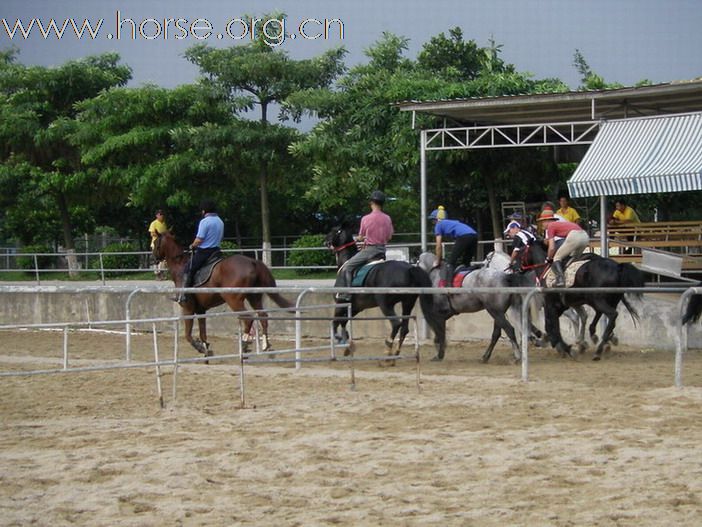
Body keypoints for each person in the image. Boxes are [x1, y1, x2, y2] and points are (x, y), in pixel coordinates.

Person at [335, 190, 394, 302]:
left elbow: (361, 237)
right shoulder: (387, 218)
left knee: (348, 267)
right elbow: (389, 237)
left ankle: (347, 293)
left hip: (370, 250)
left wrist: (356, 239)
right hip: (382, 250)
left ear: (371, 202)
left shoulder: (366, 219)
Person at [176, 200, 224, 304]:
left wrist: (192, 245)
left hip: (205, 252)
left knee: (188, 268)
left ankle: (183, 295)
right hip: (216, 251)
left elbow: (199, 239)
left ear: (203, 211)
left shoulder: (205, 221)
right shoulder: (220, 221)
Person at [536, 209, 589, 287]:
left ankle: (560, 280)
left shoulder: (550, 227)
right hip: (585, 237)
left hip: (575, 236)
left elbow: (552, 248)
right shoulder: (559, 224)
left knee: (556, 258)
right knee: (572, 258)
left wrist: (548, 258)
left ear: (547, 220)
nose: (542, 224)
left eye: (542, 221)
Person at [429, 205, 478, 287]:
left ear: (436, 219)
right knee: (466, 263)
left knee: (450, 263)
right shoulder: (452, 223)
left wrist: (437, 260)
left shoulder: (439, 225)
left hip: (464, 236)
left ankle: (448, 286)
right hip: (474, 236)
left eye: (432, 220)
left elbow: (438, 246)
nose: (432, 223)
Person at [148, 209, 169, 279]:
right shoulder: (153, 223)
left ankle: (161, 273)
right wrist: (159, 235)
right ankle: (157, 274)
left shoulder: (164, 223)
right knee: (156, 260)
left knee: (163, 260)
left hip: (163, 244)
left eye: (162, 214)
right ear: (157, 215)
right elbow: (152, 233)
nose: (162, 216)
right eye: (160, 214)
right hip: (156, 244)